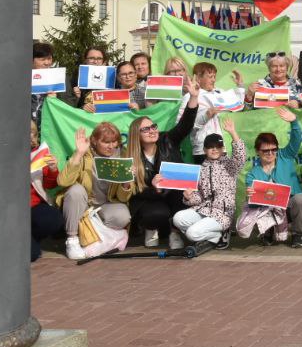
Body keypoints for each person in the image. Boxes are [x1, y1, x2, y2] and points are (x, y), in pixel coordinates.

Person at [125, 82, 200, 249]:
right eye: (146, 129)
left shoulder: (167, 140)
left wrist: (193, 97)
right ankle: (151, 229)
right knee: (156, 214)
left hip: (173, 195)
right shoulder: (130, 156)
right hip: (149, 200)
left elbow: (185, 125)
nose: (152, 130)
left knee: (183, 197)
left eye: (153, 126)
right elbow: (134, 192)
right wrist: (153, 188)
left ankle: (174, 232)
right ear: (136, 135)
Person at [58, 122, 134, 260]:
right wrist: (79, 153)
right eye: (106, 142)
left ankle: (93, 237)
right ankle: (72, 239)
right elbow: (63, 182)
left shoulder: (122, 155)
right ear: (94, 141)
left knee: (123, 216)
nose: (111, 146)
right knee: (75, 190)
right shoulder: (85, 153)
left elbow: (123, 198)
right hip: (83, 204)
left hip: (105, 205)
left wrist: (126, 182)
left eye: (114, 141)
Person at [237, 107, 302, 247]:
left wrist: (294, 122)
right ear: (257, 151)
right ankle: (267, 232)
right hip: (268, 208)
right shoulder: (253, 174)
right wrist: (250, 194)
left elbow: (296, 140)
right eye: (266, 150)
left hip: (288, 206)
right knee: (252, 208)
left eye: (273, 149)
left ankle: (297, 234)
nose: (270, 153)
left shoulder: (285, 155)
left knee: (300, 200)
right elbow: (253, 201)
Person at [167, 116, 244, 249]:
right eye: (210, 147)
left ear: (223, 148)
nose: (214, 149)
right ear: (204, 150)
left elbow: (240, 157)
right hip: (203, 209)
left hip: (222, 214)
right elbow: (199, 197)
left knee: (192, 234)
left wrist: (233, 133)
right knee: (177, 218)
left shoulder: (230, 165)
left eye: (218, 146)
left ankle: (221, 233)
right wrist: (189, 197)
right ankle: (214, 235)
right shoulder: (201, 169)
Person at [181, 62, 246, 161]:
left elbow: (238, 105)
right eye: (210, 77)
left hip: (221, 148)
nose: (213, 80)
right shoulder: (189, 97)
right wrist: (206, 116)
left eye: (214, 76)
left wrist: (240, 86)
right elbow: (182, 126)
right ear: (198, 78)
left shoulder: (219, 93)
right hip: (203, 150)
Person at [29, 122, 64, 262]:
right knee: (31, 255)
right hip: (9, 210)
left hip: (34, 206)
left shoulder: (39, 153)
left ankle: (32, 236)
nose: (30, 135)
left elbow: (50, 185)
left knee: (53, 219)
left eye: (32, 132)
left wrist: (53, 169)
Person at [31, 41, 61, 126]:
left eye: (49, 58)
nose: (47, 63)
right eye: (42, 59)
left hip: (48, 126)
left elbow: (66, 105)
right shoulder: (22, 78)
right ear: (32, 60)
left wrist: (55, 100)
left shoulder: (58, 78)